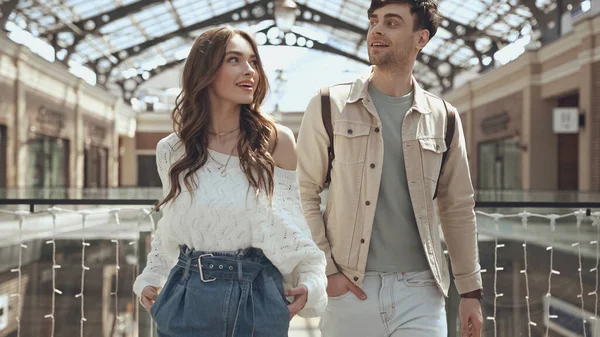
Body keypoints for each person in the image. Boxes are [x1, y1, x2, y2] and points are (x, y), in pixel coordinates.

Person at [296, 1, 483, 337]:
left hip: (421, 292)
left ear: (420, 38)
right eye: (374, 21)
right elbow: (303, 193)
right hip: (350, 290)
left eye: (392, 23)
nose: (377, 30)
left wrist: (470, 291)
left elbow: (457, 207)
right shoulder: (328, 105)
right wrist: (328, 272)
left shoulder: (444, 118)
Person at [133, 26, 327, 337]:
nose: (249, 70)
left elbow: (293, 222)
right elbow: (171, 226)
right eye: (234, 60)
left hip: (258, 297)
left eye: (253, 62)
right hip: (185, 296)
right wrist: (152, 275)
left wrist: (311, 277)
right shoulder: (172, 150)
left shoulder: (277, 142)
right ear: (205, 71)